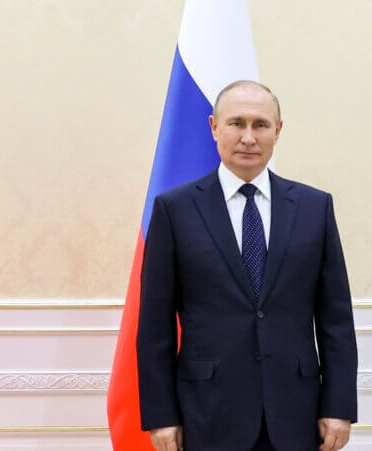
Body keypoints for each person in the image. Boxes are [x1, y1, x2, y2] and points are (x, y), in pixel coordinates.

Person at [136, 80, 358, 451]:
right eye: (236, 123)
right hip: (207, 414)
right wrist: (161, 415)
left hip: (297, 414)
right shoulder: (174, 210)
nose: (248, 137)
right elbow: (155, 326)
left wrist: (339, 406)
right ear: (213, 127)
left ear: (278, 130)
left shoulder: (314, 208)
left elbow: (335, 319)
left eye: (260, 124)